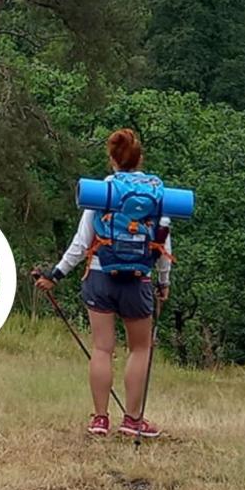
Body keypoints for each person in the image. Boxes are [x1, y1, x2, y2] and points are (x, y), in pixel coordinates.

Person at [35, 129, 172, 438]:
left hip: (100, 274)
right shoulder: (157, 194)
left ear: (112, 159)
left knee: (102, 348)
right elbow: (164, 244)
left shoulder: (103, 193)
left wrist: (55, 275)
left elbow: (81, 243)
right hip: (138, 279)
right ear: (140, 159)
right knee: (140, 348)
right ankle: (133, 420)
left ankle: (100, 419)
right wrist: (164, 282)